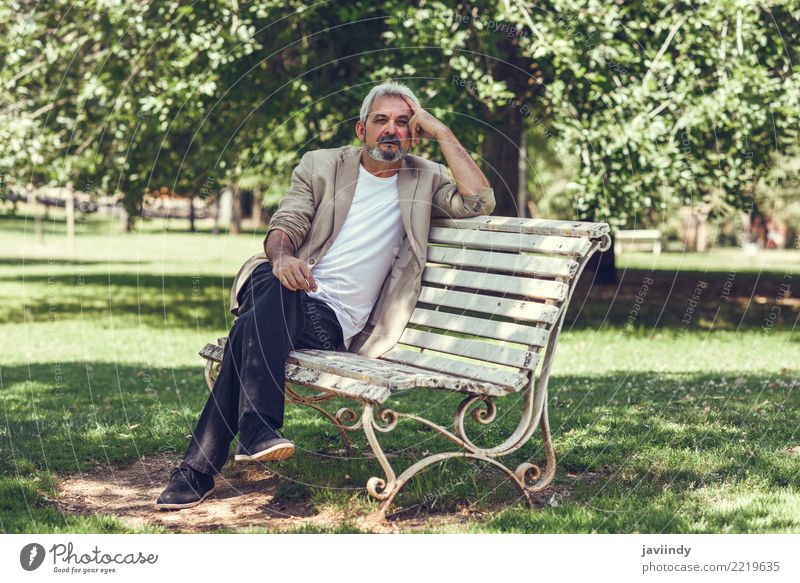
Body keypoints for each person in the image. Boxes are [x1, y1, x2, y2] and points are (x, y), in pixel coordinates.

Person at [156, 80, 495, 510]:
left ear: (414, 133)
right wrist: (281, 258)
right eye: (381, 121)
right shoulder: (321, 165)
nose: (391, 129)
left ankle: (201, 468)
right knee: (276, 287)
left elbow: (481, 202)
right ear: (361, 130)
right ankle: (253, 432)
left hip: (329, 320)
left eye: (403, 122)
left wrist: (444, 133)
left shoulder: (425, 177)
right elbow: (288, 223)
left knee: (250, 329)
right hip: (284, 284)